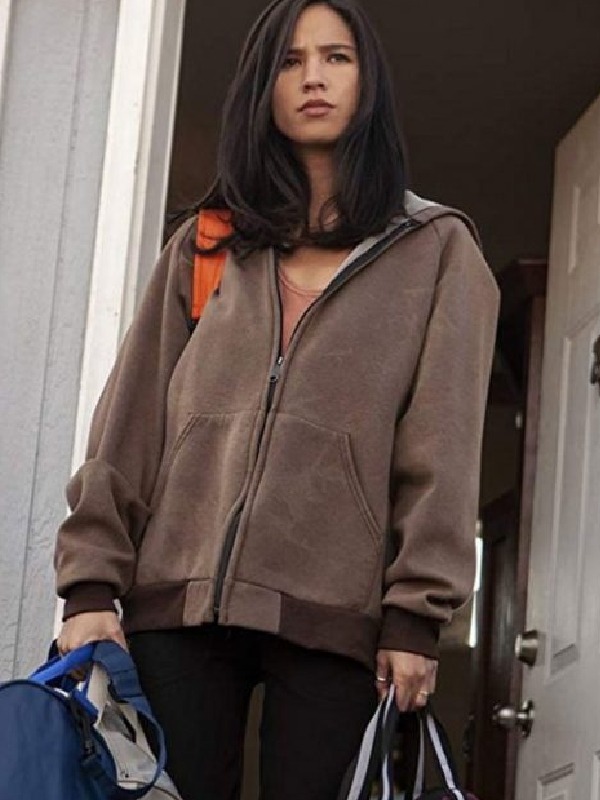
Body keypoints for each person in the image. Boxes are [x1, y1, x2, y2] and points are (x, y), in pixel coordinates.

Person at [54, 0, 499, 798]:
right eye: (290, 62)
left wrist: (416, 617)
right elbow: (129, 423)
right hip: (176, 605)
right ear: (263, 87)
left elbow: (445, 447)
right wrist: (90, 584)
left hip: (335, 616)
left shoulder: (438, 251)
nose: (313, 78)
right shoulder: (207, 243)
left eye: (335, 57)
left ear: (368, 80)